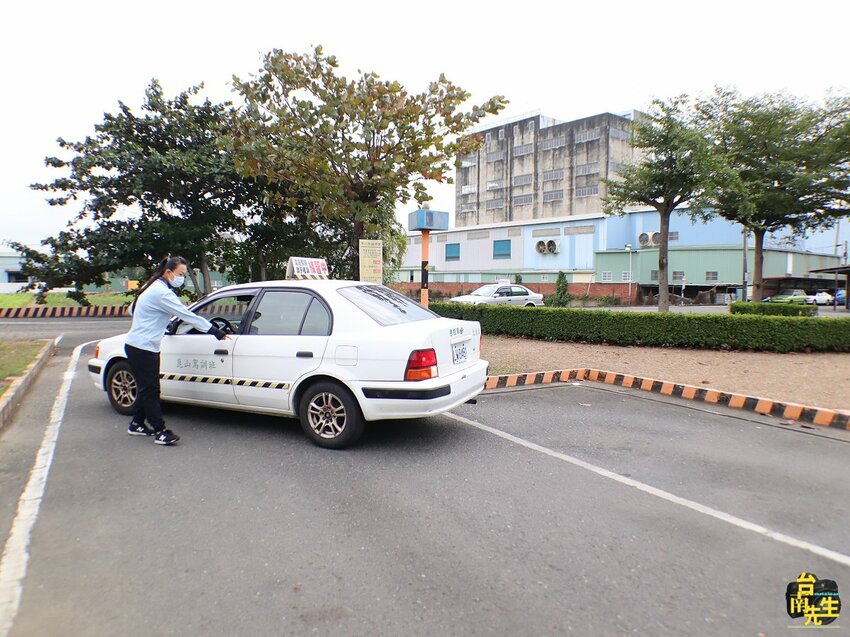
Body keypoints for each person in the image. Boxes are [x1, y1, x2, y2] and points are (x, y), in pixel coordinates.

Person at [124, 256, 227, 445]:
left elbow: (131, 310)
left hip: (139, 345)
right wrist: (215, 331)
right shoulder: (162, 293)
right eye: (180, 274)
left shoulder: (153, 287)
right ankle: (161, 431)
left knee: (147, 388)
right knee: (152, 390)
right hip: (143, 347)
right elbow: (186, 315)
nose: (182, 278)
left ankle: (137, 424)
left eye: (184, 275)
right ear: (169, 273)